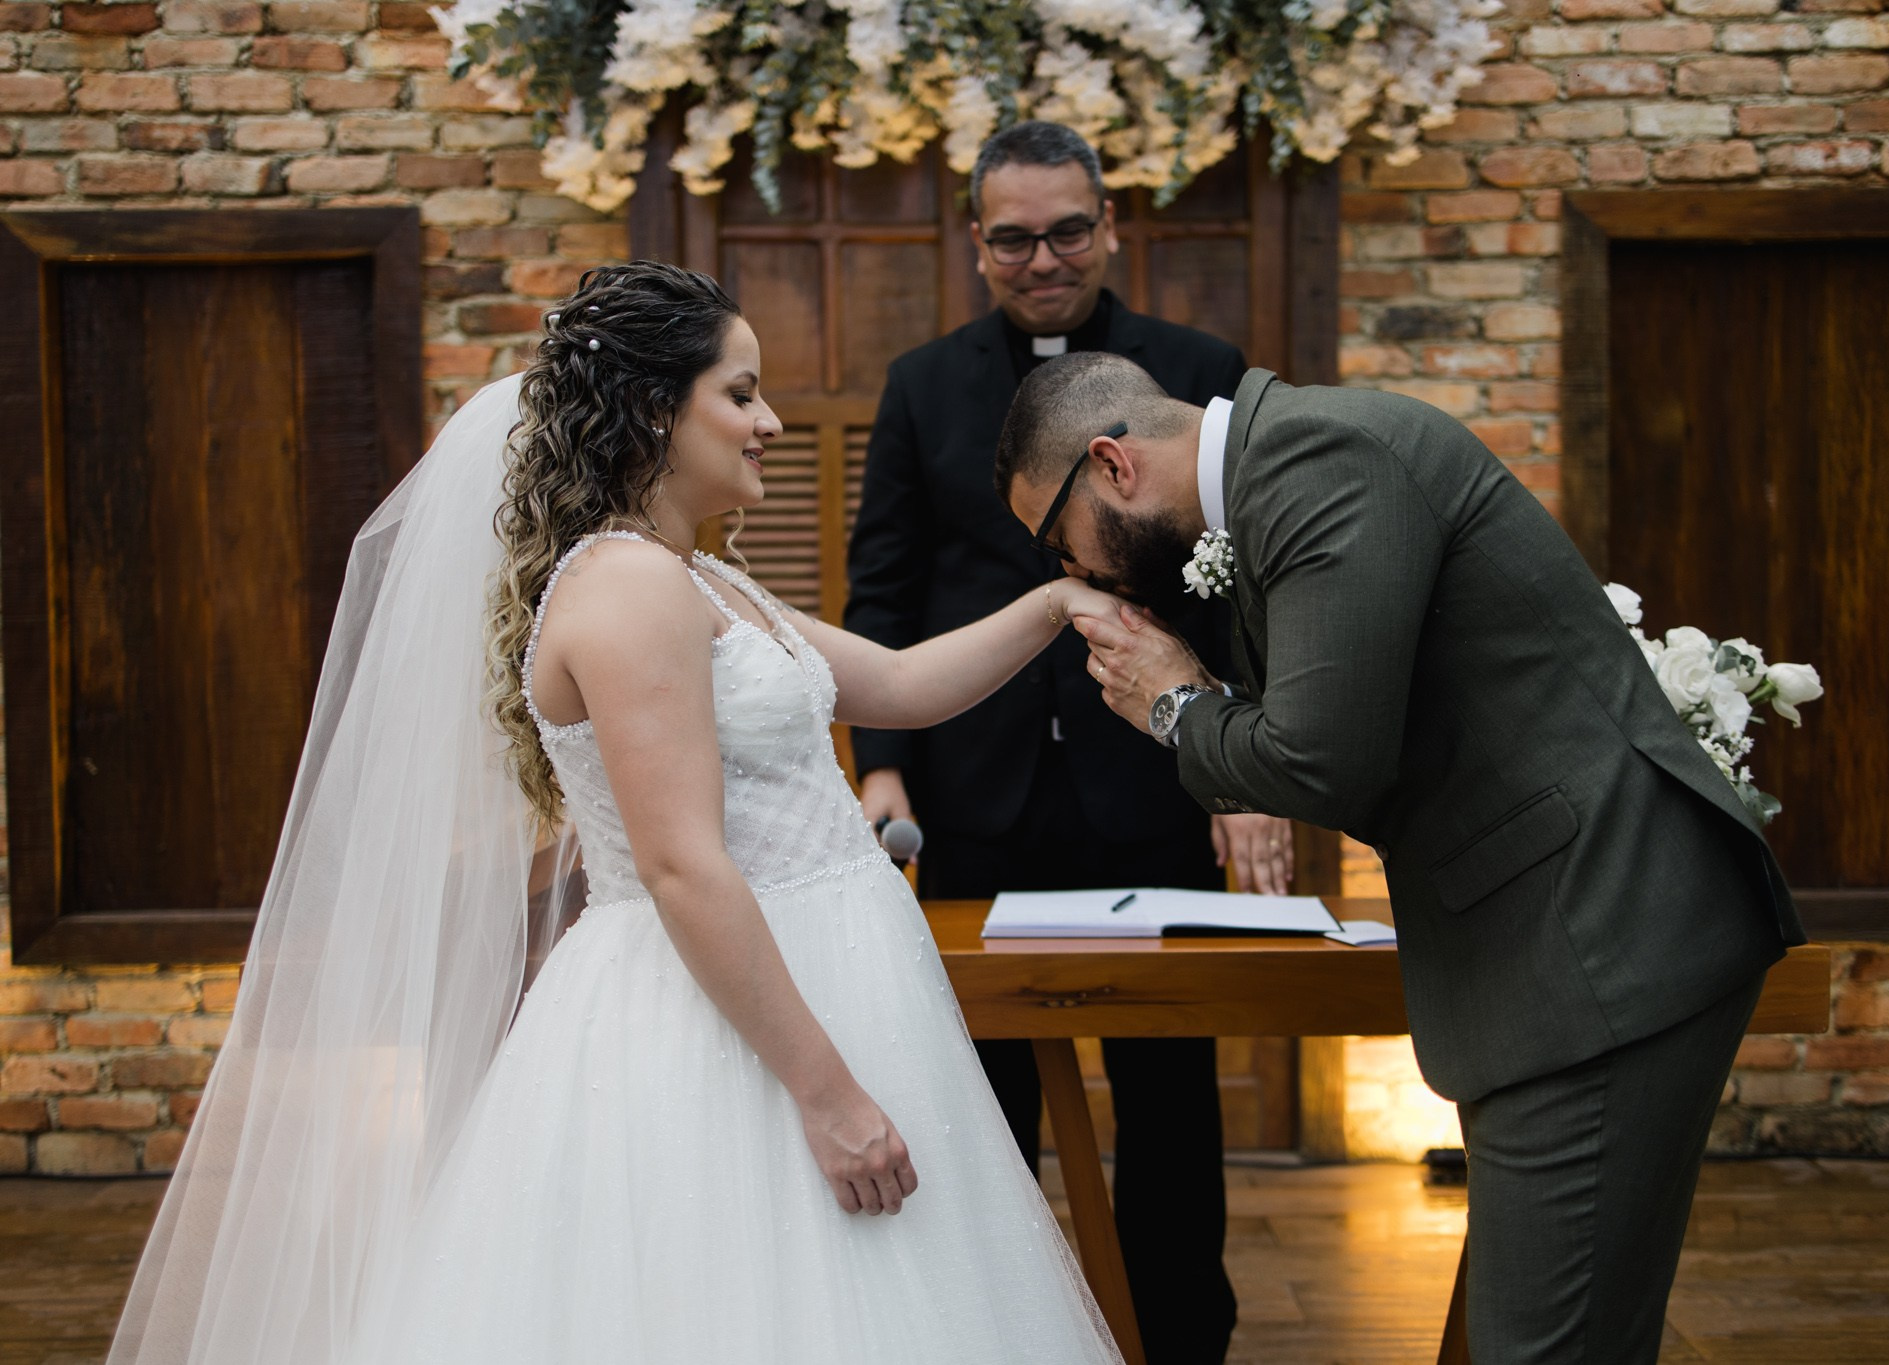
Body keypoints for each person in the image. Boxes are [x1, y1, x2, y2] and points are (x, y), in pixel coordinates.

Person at [110, 264, 1130, 1364]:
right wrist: (828, 1093)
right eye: (738, 394)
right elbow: (682, 866)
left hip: (827, 971)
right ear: (654, 407)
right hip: (730, 1024)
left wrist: (1058, 601)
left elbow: (901, 682)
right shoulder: (630, 589)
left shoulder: (697, 578)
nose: (770, 422)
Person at [994, 353, 1808, 1365]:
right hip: (1557, 941)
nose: (1073, 573)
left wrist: (1175, 707)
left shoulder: (1312, 462)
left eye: (1055, 541)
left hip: (1595, 938)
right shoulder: (1274, 475)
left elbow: (1320, 764)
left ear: (1111, 464)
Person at [844, 121, 1280, 1364]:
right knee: (985, 1111)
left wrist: (1244, 766)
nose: (1045, 259)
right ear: (974, 243)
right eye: (1014, 237)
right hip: (976, 800)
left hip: (1157, 782)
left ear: (1109, 226)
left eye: (1068, 231)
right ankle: (992, 1338)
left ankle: (1180, 1342)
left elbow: (1247, 589)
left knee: (1167, 1113)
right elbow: (883, 591)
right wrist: (881, 761)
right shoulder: (921, 384)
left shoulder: (1196, 368)